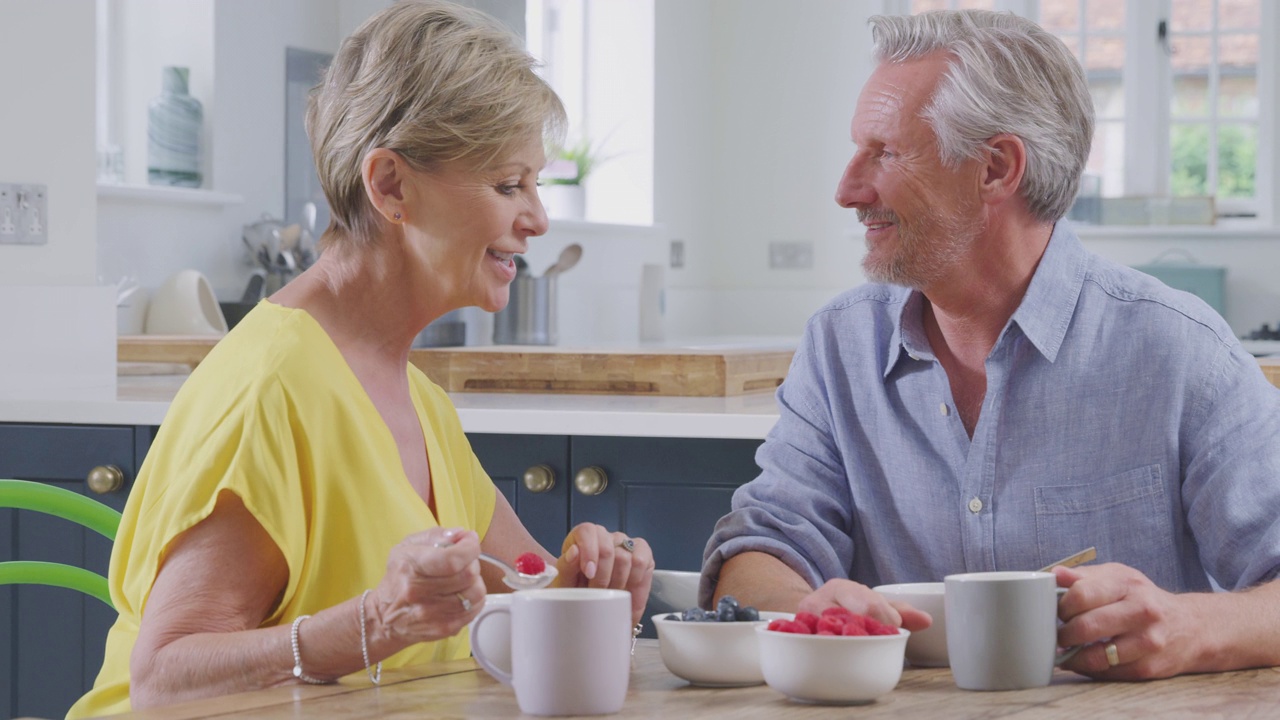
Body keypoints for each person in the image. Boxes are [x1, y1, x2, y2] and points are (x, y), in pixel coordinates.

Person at [69, 2, 654, 716]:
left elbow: (531, 598)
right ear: (391, 186)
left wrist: (595, 584)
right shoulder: (271, 388)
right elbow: (163, 675)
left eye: (535, 184)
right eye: (509, 185)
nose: (536, 218)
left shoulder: (416, 397)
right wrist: (371, 625)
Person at [702, 8, 1280, 681]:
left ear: (997, 168)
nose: (847, 190)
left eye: (884, 152)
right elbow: (764, 547)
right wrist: (808, 612)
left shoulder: (1180, 354)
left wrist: (1197, 627)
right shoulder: (839, 347)